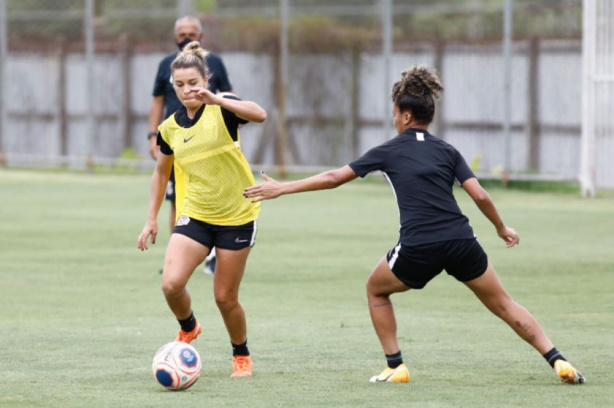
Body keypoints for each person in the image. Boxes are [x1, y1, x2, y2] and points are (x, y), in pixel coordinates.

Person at [243, 65, 585, 385]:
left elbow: (335, 177)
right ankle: (557, 360)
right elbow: (479, 195)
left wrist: (282, 188)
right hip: (461, 240)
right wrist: (501, 228)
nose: (393, 119)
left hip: (420, 244)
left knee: (376, 289)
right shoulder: (448, 151)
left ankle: (395, 366)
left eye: (394, 113)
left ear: (406, 116)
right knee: (504, 304)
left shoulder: (389, 151)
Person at [138, 41, 266, 378]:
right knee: (171, 283)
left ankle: (241, 354)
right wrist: (151, 218)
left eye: (193, 83)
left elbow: (260, 114)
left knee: (225, 297)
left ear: (205, 80)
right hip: (195, 213)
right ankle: (189, 326)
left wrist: (218, 99)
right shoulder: (170, 127)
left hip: (237, 215)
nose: (186, 90)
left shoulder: (223, 108)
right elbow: (160, 172)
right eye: (179, 85)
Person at [148, 15, 233, 275]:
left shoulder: (215, 62)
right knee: (176, 198)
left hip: (208, 142)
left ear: (201, 36)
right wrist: (153, 135)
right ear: (175, 37)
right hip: (178, 142)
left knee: (217, 196)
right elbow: (157, 101)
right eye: (182, 32)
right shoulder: (166, 64)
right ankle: (178, 255)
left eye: (192, 32)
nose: (187, 36)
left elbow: (230, 97)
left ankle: (214, 256)